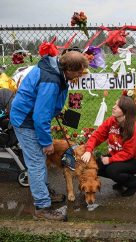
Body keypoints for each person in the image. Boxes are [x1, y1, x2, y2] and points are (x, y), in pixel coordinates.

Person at [10, 51, 89, 221]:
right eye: (78, 72)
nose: (79, 76)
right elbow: (40, 117)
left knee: (38, 160)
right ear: (68, 69)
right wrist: (46, 142)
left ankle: (44, 193)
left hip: (30, 117)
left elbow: (45, 106)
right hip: (26, 121)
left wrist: (56, 110)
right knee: (37, 162)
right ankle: (42, 208)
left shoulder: (56, 70)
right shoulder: (51, 81)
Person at [81, 95, 136, 197]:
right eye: (115, 104)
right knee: (95, 166)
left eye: (117, 106)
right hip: (118, 155)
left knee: (112, 170)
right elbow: (97, 135)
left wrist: (110, 160)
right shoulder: (111, 121)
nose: (113, 107)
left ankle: (134, 183)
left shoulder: (134, 128)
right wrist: (88, 150)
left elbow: (128, 153)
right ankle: (122, 180)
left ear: (125, 111)